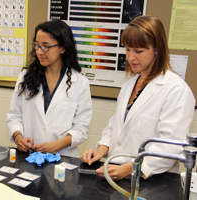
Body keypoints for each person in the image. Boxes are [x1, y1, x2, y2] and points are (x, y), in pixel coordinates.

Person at [81, 15, 195, 180]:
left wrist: (129, 168)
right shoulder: (130, 85)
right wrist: (100, 151)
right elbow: (115, 127)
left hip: (152, 179)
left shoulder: (176, 90)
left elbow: (169, 148)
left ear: (157, 48)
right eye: (127, 49)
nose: (130, 57)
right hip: (118, 173)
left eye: (138, 51)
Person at [7, 19, 93, 157]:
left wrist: (54, 146)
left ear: (63, 48)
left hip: (63, 157)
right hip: (30, 155)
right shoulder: (26, 77)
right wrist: (18, 137)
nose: (40, 51)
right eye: (37, 45)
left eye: (46, 46)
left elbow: (81, 129)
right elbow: (14, 116)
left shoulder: (80, 82)